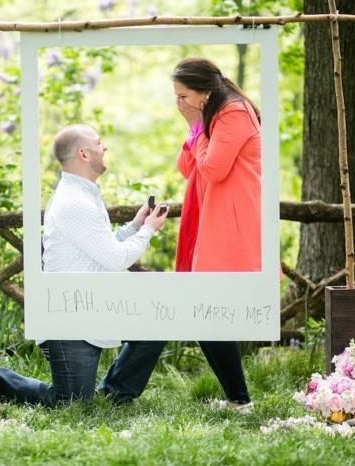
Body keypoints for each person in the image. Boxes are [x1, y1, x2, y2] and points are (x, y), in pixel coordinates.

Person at [102, 58, 259, 408]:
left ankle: (240, 399)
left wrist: (198, 126)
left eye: (183, 95)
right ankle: (239, 399)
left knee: (203, 308)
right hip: (208, 214)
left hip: (229, 221)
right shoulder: (212, 117)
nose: (179, 104)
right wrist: (196, 128)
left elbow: (214, 169)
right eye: (176, 96)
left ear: (205, 91)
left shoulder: (233, 113)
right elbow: (188, 167)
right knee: (202, 309)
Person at [0, 124, 169, 406]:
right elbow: (116, 260)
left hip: (98, 305)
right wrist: (149, 230)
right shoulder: (75, 202)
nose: (105, 148)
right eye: (99, 143)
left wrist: (137, 225)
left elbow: (102, 250)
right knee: (71, 402)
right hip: (70, 318)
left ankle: (116, 392)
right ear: (84, 154)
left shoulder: (84, 193)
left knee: (157, 323)